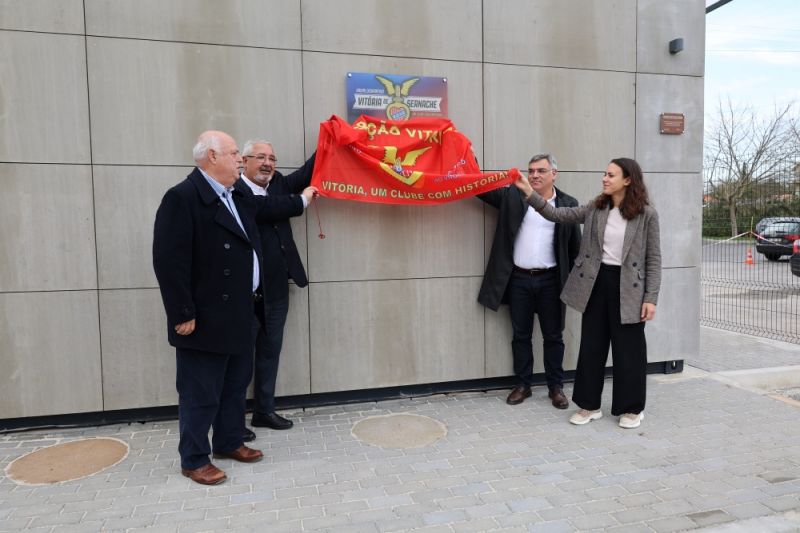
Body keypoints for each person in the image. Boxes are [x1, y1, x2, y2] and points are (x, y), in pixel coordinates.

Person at [152, 131, 309, 484]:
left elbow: (269, 207)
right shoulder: (183, 197)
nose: (240, 159)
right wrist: (182, 314)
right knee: (200, 392)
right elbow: (168, 262)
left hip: (239, 310)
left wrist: (303, 200)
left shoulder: (236, 194)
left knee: (236, 384)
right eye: (234, 153)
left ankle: (228, 441)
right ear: (212, 156)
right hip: (203, 318)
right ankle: (194, 458)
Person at [513, 157, 661, 429]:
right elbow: (558, 215)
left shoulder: (646, 215)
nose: (604, 179)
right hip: (596, 283)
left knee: (629, 350)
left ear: (628, 180)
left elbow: (654, 258)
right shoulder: (597, 207)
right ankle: (589, 405)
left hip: (629, 288)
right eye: (605, 174)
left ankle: (631, 409)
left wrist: (651, 298)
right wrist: (529, 193)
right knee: (592, 347)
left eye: (611, 175)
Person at [478, 154, 581, 408]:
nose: (534, 175)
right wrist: (460, 167)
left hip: (552, 282)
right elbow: (479, 187)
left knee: (553, 337)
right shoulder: (512, 196)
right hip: (519, 280)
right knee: (520, 336)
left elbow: (575, 249)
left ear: (554, 174)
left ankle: (556, 387)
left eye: (541, 171)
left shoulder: (567, 203)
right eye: (531, 170)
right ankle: (523, 385)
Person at [236, 139, 316, 438]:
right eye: (260, 157)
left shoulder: (279, 183)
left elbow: (308, 172)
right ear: (244, 161)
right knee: (240, 360)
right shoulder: (236, 190)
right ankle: (232, 421)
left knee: (270, 353)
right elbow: (265, 208)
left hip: (277, 289)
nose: (268, 163)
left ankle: (264, 412)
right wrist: (302, 201)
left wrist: (334, 137)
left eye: (272, 157)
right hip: (245, 293)